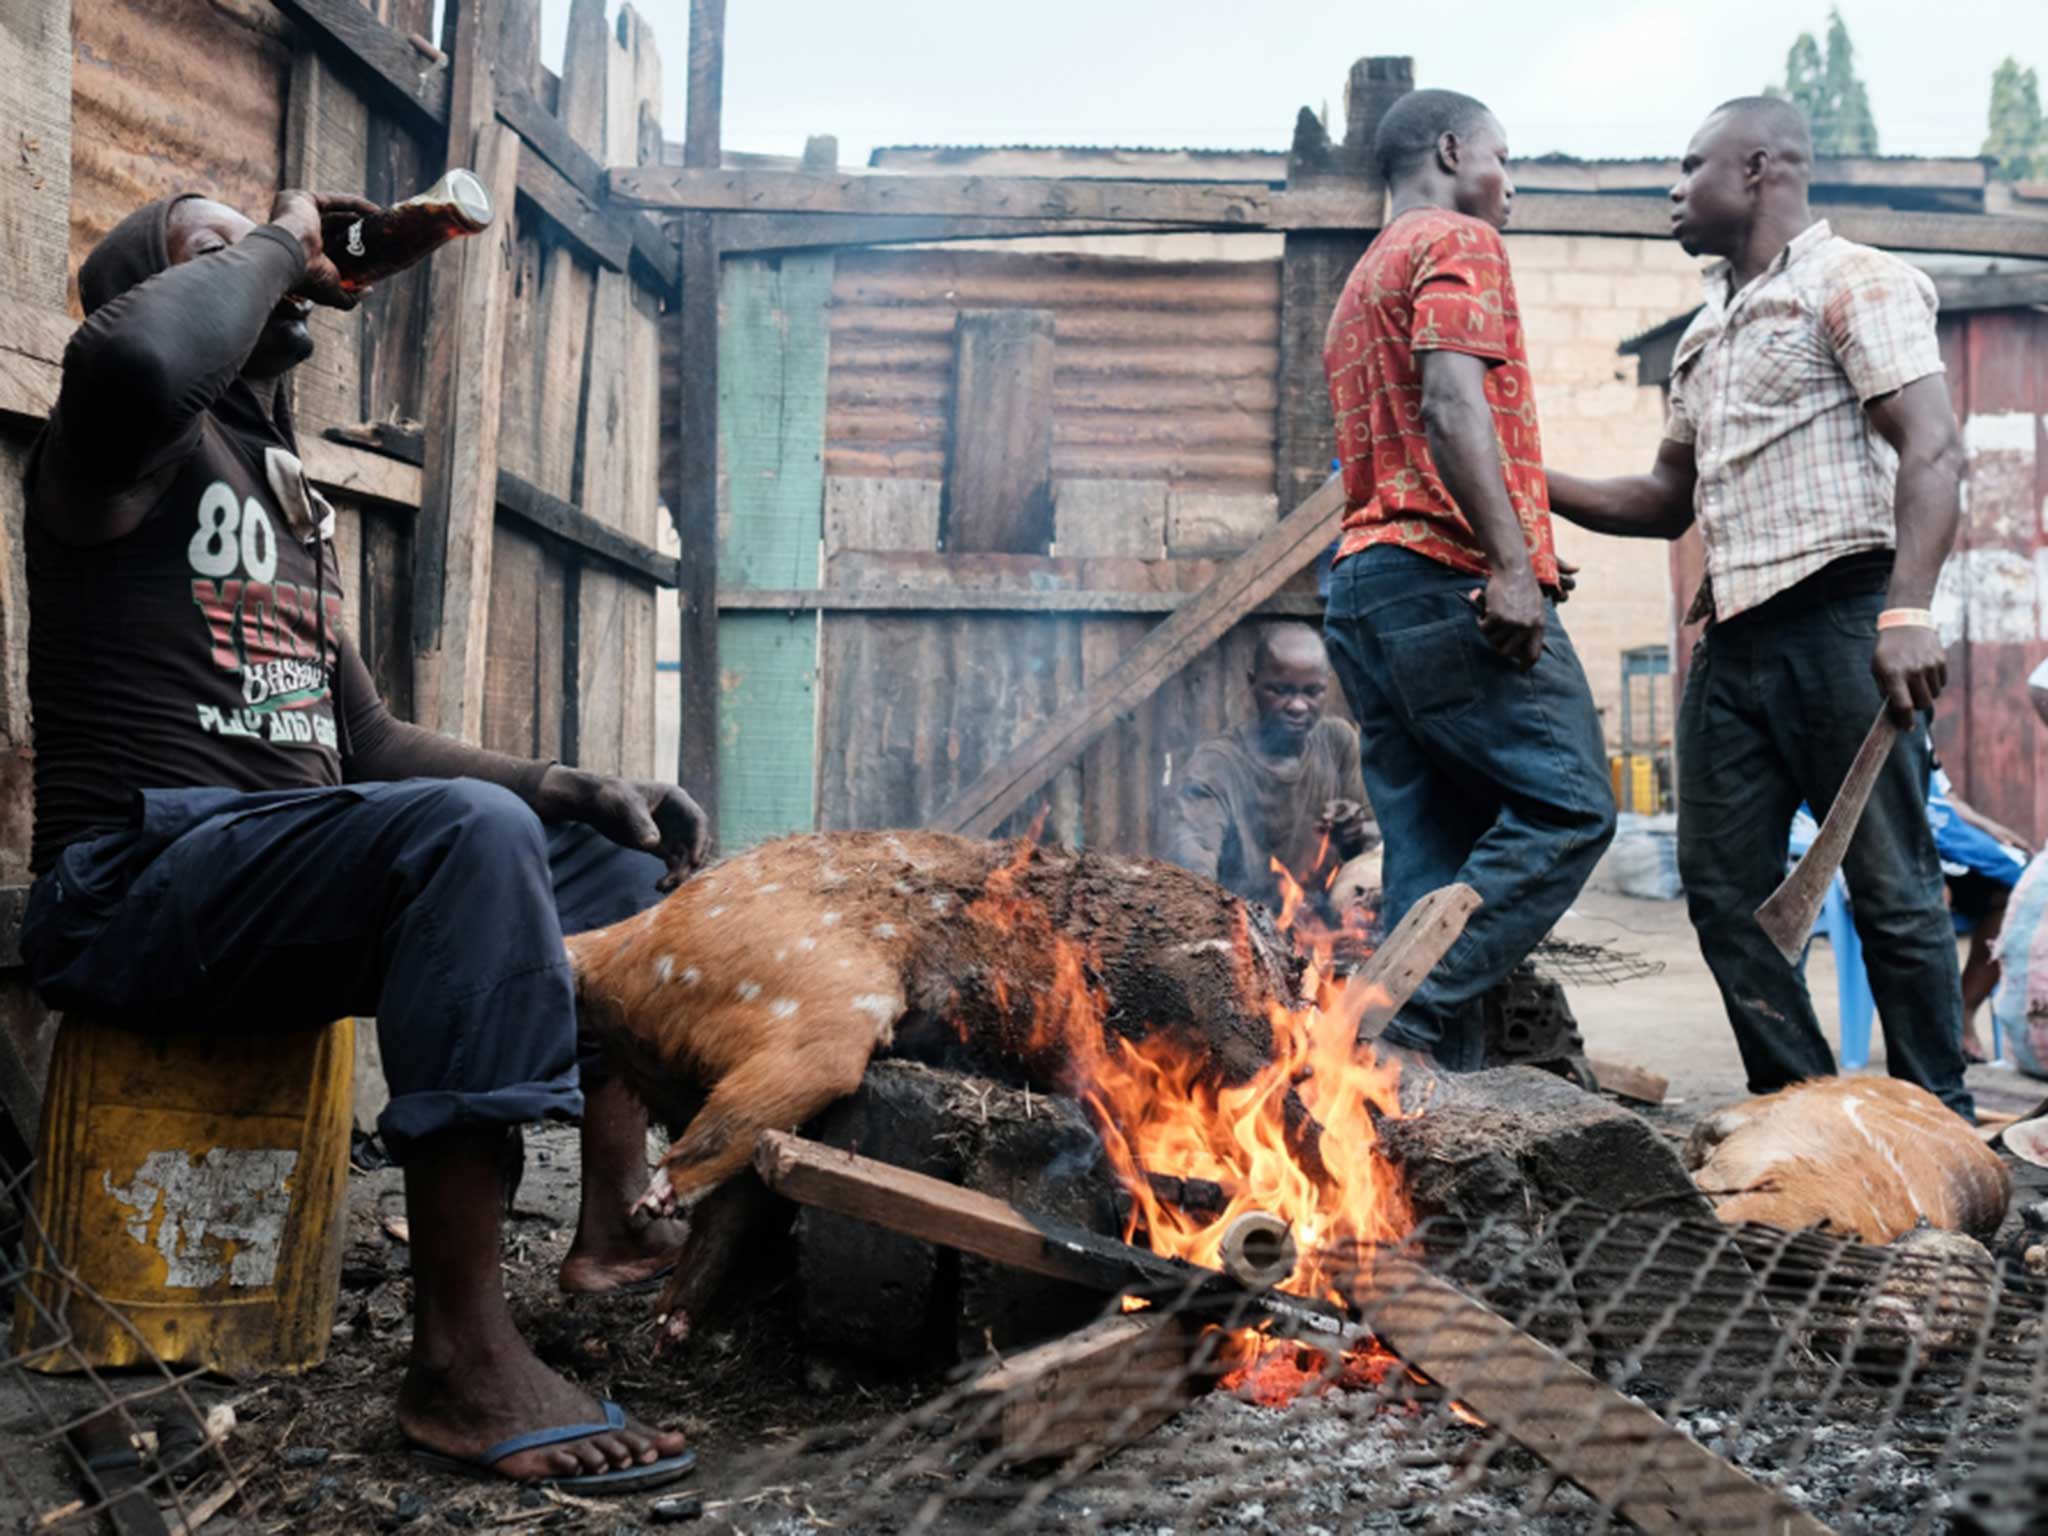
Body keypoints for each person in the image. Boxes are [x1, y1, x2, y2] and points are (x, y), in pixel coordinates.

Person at [19, 189, 705, 1488]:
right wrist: (285, 233)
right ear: (143, 292)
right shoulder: (113, 444)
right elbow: (138, 356)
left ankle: (613, 1226)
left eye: (258, 247)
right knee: (462, 837)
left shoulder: (285, 499)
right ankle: (462, 1358)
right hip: (132, 887)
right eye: (206, 251)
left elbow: (372, 747)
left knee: (613, 858)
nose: (263, 264)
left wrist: (566, 781)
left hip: (273, 869)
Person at [1544, 97, 1972, 1118]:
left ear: (1756, 169)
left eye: (1687, 167)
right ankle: (1805, 1111)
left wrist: (1905, 611)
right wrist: (1526, 479)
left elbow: (1932, 445)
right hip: (1732, 644)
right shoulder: (1702, 334)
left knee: (1891, 890)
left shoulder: (1850, 282)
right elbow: (1659, 501)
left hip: (1843, 620)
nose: (1669, 190)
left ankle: (1937, 1124)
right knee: (1723, 893)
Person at [1318, 89, 1616, 1071]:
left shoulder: (1360, 282)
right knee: (1569, 804)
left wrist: (1522, 533)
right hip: (1439, 576)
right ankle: (1391, 1017)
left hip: (1366, 593)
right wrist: (1505, 563)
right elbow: (1450, 407)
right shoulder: (1457, 239)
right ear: (1450, 150)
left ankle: (1401, 1096)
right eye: (1502, 156)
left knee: (1429, 858)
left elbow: (1408, 439)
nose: (1511, 185)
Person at [1160, 624, 1375, 917]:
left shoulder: (1338, 743)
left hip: (1319, 933)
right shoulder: (1217, 764)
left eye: (1312, 692)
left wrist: (1354, 830)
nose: (1298, 706)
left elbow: (1376, 849)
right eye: (1280, 690)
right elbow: (1192, 858)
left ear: (1327, 685)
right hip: (1243, 933)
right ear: (1253, 683)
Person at [1925, 749, 2031, 1061]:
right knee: (1926, 895)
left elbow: (1946, 797)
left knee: (2013, 892)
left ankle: (1962, 1011)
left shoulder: (1919, 727)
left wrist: (1986, 827)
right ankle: (1929, 1024)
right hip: (1869, 845)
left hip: (1939, 840)